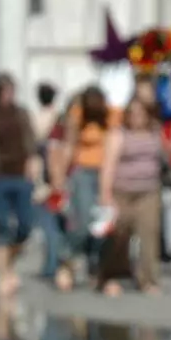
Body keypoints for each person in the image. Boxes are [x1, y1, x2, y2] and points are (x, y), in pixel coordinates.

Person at [0, 74, 39, 295]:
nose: (7, 95)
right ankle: (3, 275)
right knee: (2, 225)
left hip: (21, 174)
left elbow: (31, 140)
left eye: (10, 90)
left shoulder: (21, 113)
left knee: (25, 225)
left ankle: (11, 262)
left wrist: (33, 162)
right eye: (3, 91)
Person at [103, 96, 167, 295]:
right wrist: (105, 195)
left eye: (140, 113)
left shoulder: (155, 133)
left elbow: (166, 158)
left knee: (149, 234)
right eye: (132, 113)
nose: (136, 117)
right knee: (119, 236)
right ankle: (111, 277)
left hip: (148, 191)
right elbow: (108, 165)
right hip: (122, 192)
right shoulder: (119, 134)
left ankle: (148, 279)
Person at [52, 88, 110, 290]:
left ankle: (95, 266)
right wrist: (60, 176)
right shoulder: (78, 116)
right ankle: (66, 259)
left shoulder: (108, 116)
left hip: (104, 173)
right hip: (82, 173)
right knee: (82, 222)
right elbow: (69, 145)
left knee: (101, 226)